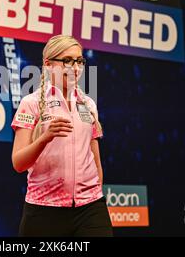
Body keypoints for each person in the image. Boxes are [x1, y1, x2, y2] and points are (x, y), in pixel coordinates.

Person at [11, 35, 113, 237]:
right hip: (44, 209)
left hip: (90, 208)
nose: (75, 67)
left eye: (79, 61)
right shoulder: (31, 103)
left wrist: (94, 195)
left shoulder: (88, 104)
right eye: (67, 61)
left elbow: (96, 160)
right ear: (49, 65)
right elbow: (18, 163)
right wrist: (45, 138)